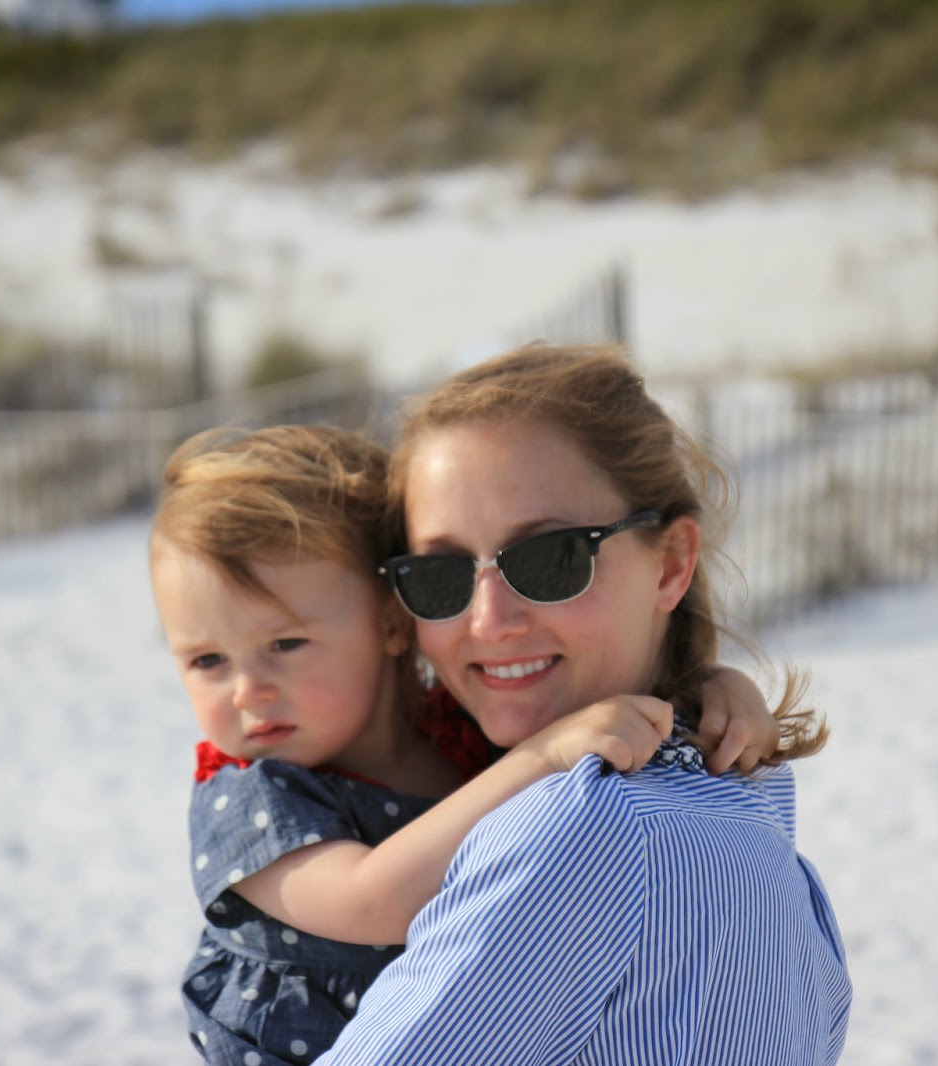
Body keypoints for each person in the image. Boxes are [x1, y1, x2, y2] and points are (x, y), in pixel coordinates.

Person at [148, 424, 784, 1066]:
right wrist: (544, 756)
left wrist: (716, 689)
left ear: (393, 622)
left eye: (285, 644)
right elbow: (372, 901)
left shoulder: (454, 726)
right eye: (206, 660)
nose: (247, 691)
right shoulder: (249, 795)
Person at [317, 344, 851, 1064]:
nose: (489, 621)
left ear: (670, 563)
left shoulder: (583, 830)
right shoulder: (747, 791)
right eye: (439, 575)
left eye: (550, 559)